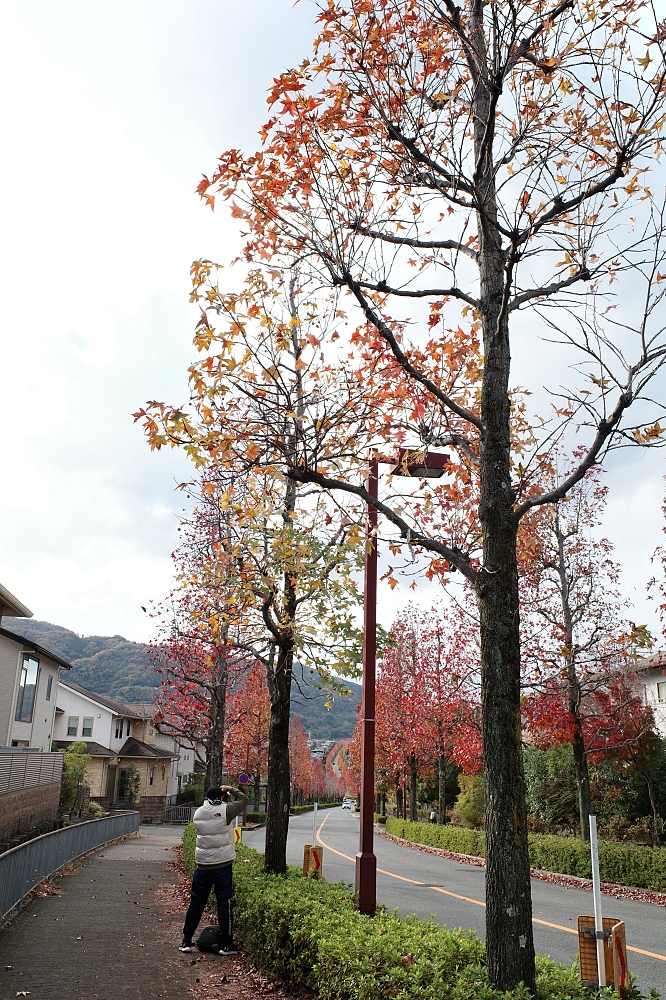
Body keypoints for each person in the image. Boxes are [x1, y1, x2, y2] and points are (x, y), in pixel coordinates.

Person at [179, 783, 249, 954]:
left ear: (206, 798)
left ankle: (186, 941)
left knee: (196, 903)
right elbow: (244, 799)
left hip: (202, 865)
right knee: (224, 903)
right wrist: (230, 788)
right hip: (222, 865)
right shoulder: (226, 811)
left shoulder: (199, 813)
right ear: (223, 798)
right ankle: (226, 944)